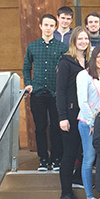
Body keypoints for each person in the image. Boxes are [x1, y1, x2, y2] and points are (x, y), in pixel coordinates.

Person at [23, 13, 67, 171]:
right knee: (40, 126)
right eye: (46, 25)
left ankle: (56, 159)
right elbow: (27, 67)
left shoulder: (62, 47)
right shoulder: (32, 46)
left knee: (56, 126)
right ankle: (43, 159)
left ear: (55, 27)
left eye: (51, 25)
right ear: (40, 26)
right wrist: (28, 84)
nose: (48, 28)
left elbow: (66, 70)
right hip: (38, 92)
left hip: (56, 93)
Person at [56, 26, 90, 199]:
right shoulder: (66, 62)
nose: (83, 42)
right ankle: (65, 194)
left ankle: (77, 177)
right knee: (69, 153)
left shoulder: (89, 61)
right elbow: (60, 91)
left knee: (81, 150)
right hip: (69, 114)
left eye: (86, 39)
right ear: (74, 41)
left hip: (85, 115)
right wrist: (62, 117)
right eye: (80, 39)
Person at [76, 45, 100, 199]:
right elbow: (82, 102)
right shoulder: (84, 76)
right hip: (88, 124)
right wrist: (91, 123)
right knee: (89, 159)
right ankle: (90, 197)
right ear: (93, 57)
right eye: (99, 57)